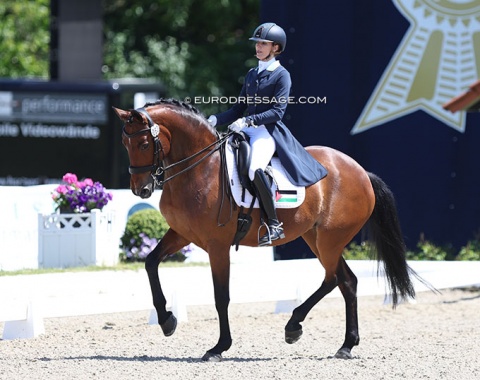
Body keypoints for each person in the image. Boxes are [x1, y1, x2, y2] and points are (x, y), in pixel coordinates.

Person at [207, 22, 327, 246]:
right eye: (257, 43)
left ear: (276, 48)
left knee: (254, 168)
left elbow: (277, 112)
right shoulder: (252, 74)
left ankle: (274, 224)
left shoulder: (281, 75)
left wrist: (248, 120)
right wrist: (214, 119)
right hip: (245, 130)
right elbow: (237, 109)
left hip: (267, 133)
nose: (258, 47)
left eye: (263, 43)